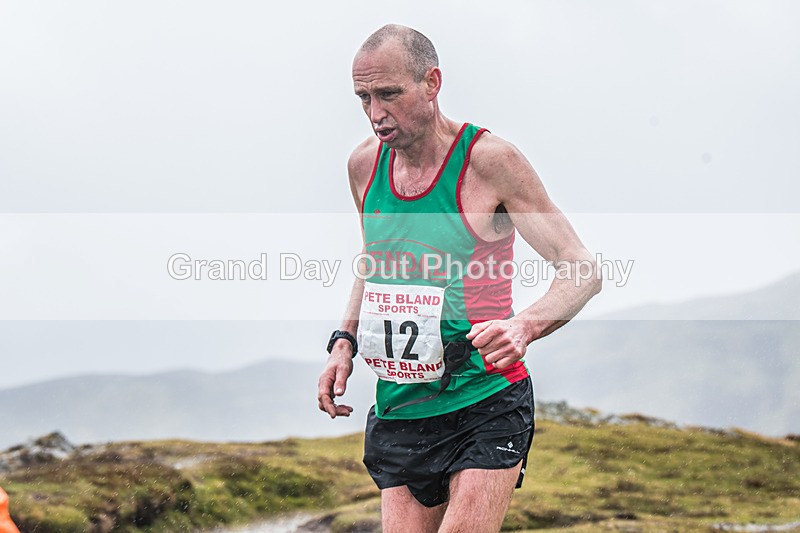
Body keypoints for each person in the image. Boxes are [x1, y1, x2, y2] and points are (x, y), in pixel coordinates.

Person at [317, 24, 601, 533]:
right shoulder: (364, 166)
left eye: (389, 94)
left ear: (432, 82)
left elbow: (581, 268)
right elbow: (374, 260)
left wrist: (524, 327)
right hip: (401, 403)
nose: (375, 113)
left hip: (484, 396)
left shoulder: (490, 162)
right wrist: (344, 342)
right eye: (363, 97)